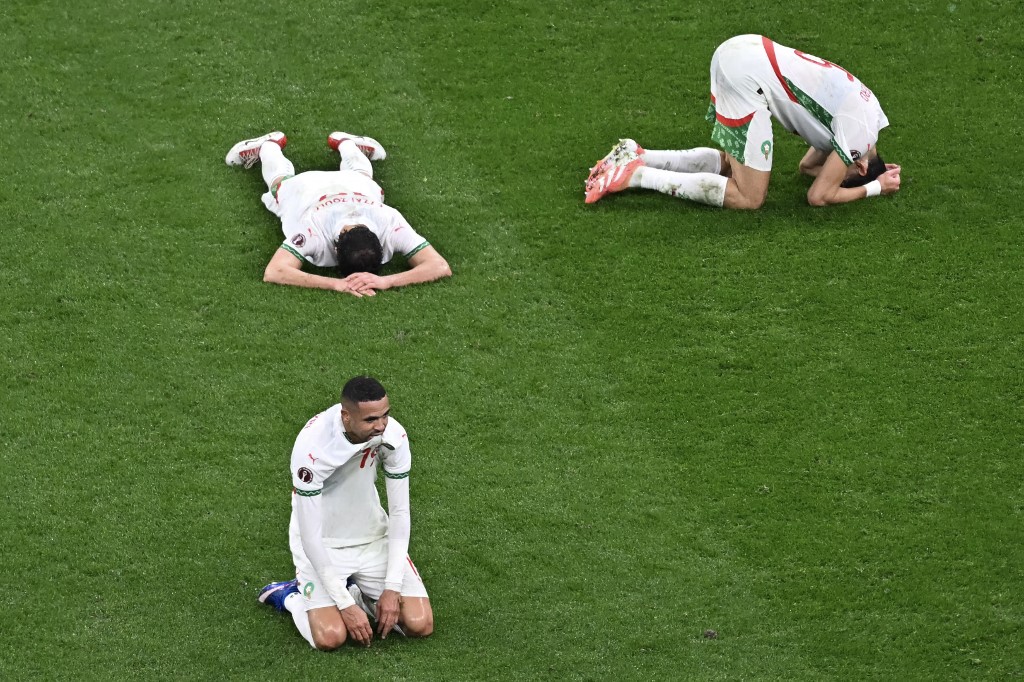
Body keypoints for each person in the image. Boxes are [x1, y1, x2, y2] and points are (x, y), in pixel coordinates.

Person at [585, 34, 902, 209]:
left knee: (734, 164)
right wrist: (874, 187)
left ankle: (637, 154)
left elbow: (807, 168)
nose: (837, 175)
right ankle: (635, 176)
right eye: (847, 175)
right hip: (746, 76)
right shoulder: (858, 139)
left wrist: (864, 172)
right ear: (860, 165)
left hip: (745, 49)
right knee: (749, 196)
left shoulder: (868, 116)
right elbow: (818, 195)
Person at [256, 376, 434, 649]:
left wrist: (392, 586)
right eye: (371, 420)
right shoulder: (313, 449)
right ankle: (290, 596)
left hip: (373, 540)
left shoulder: (393, 436)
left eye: (385, 415)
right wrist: (344, 605)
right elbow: (310, 536)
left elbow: (399, 512)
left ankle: (358, 593)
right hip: (323, 547)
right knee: (331, 638)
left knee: (419, 624)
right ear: (346, 417)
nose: (381, 425)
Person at [225, 130, 451, 296]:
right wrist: (335, 284)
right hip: (306, 188)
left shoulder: (390, 223)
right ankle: (268, 145)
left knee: (362, 177)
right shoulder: (313, 230)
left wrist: (386, 281)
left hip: (352, 185)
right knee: (280, 184)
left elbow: (440, 267)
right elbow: (274, 272)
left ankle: (347, 143)